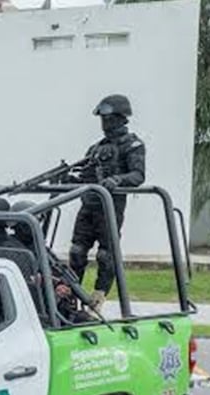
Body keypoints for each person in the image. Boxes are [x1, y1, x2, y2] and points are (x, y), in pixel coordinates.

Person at [66, 94, 146, 310]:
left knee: (105, 254)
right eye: (102, 119)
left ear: (121, 118)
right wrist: (68, 178)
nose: (105, 124)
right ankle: (70, 295)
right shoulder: (96, 148)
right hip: (88, 206)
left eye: (108, 119)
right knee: (76, 251)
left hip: (109, 208)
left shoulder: (133, 145)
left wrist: (117, 179)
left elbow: (138, 176)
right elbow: (85, 175)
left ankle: (98, 298)